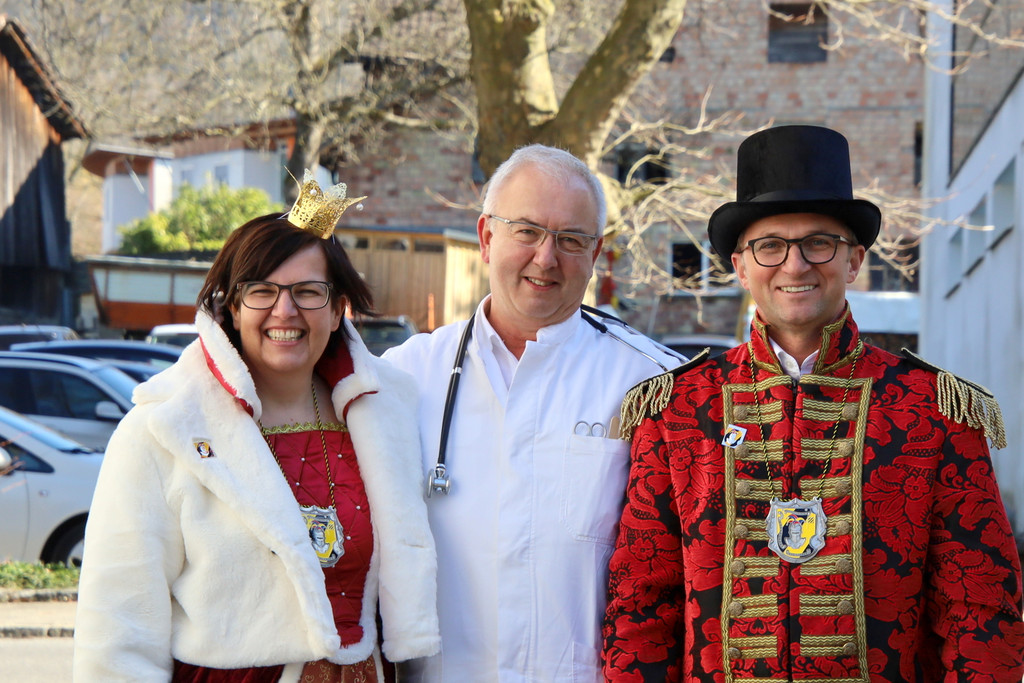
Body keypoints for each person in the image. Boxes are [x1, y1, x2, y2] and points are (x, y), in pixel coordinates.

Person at [603, 125, 1024, 681]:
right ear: (741, 266)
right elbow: (639, 607)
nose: (796, 265)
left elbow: (981, 613)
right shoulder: (677, 408)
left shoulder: (935, 409)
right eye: (770, 246)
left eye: (819, 243)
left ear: (854, 261)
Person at [73, 172, 440, 682]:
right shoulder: (162, 430)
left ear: (338, 310)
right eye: (262, 291)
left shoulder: (388, 415)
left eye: (308, 292)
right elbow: (117, 632)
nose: (284, 311)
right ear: (232, 307)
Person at [383, 144, 683, 681]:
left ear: (596, 253)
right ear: (486, 237)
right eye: (527, 231)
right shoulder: (406, 376)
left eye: (571, 239)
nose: (546, 258)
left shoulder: (656, 384)